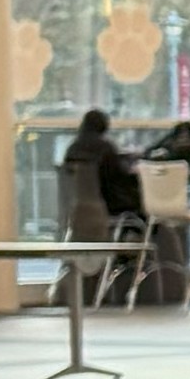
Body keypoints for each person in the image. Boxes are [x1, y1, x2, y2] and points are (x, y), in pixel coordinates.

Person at [55, 106, 150, 300]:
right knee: (145, 212)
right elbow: (118, 178)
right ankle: (131, 255)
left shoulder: (72, 149)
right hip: (107, 207)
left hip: (77, 212)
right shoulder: (105, 148)